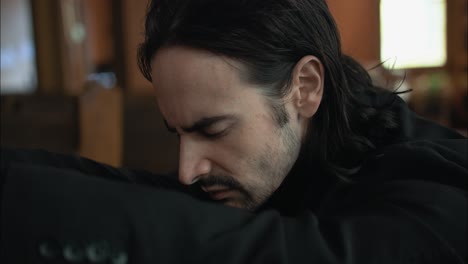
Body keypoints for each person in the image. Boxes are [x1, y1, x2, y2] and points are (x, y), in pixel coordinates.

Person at [1, 0, 466, 263]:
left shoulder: (442, 189)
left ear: (304, 88)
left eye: (213, 130)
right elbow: (140, 192)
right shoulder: (265, 169)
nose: (187, 170)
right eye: (179, 134)